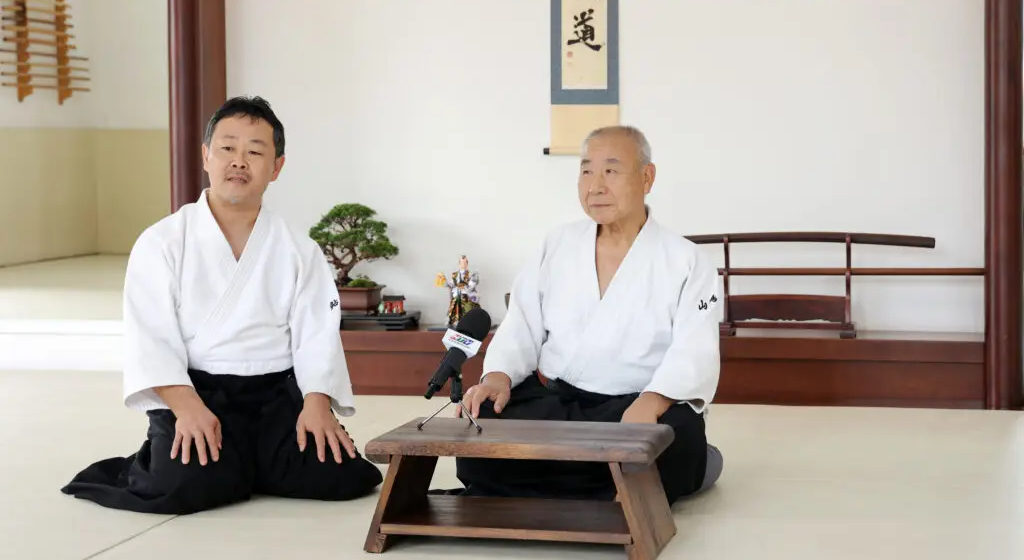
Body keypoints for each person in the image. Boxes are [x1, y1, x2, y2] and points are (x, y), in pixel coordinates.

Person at [61, 96, 383, 514]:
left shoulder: (298, 249)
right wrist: (186, 407)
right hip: (197, 391)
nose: (239, 161)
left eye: (255, 151)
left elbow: (317, 335)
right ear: (206, 157)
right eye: (228, 148)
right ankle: (204, 460)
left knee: (343, 477)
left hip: (275, 395)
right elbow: (150, 337)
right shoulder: (162, 242)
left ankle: (245, 462)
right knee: (182, 488)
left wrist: (317, 404)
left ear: (277, 167)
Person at [452, 125, 724, 504]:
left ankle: (570, 478)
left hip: (634, 408)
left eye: (611, 171)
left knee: (678, 435)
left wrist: (653, 402)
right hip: (555, 404)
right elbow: (521, 324)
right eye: (586, 171)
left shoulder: (686, 260)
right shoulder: (558, 243)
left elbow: (694, 350)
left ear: (647, 177)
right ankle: (609, 482)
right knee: (479, 431)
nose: (595, 186)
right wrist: (497, 376)